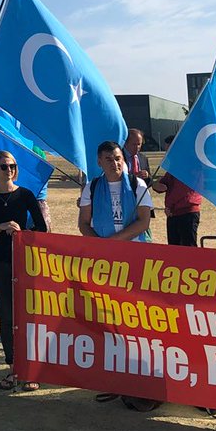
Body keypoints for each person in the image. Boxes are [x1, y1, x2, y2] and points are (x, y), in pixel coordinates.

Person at [79, 140, 155, 405]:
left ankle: (141, 378)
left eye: (118, 158)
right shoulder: (92, 187)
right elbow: (83, 224)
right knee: (109, 321)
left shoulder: (137, 184)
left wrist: (113, 242)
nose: (115, 163)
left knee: (136, 320)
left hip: (135, 261)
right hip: (105, 265)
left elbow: (143, 222)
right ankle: (115, 379)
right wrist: (100, 247)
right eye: (109, 159)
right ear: (99, 162)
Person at [0, 150, 48, 391]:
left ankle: (31, 369)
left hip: (24, 261)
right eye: (3, 166)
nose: (8, 170)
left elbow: (42, 229)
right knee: (7, 316)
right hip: (0, 261)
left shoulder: (26, 195)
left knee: (28, 315)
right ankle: (13, 367)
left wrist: (22, 232)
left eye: (12, 166)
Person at [152, 137, 203, 247]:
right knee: (174, 250)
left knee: (188, 249)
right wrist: (156, 185)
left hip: (186, 212)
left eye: (169, 151)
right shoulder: (174, 167)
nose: (167, 154)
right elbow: (164, 183)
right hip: (174, 214)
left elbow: (183, 192)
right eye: (166, 151)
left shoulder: (191, 165)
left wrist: (170, 207)